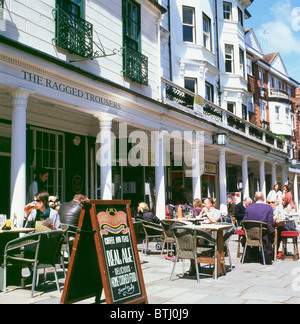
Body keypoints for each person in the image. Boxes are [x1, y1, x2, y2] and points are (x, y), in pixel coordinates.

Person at [243, 192, 275, 264]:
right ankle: (268, 256)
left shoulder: (248, 208)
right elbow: (271, 223)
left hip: (250, 235)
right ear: (263, 199)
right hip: (263, 235)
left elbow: (244, 221)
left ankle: (253, 254)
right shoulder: (268, 208)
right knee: (270, 232)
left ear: (254, 199)